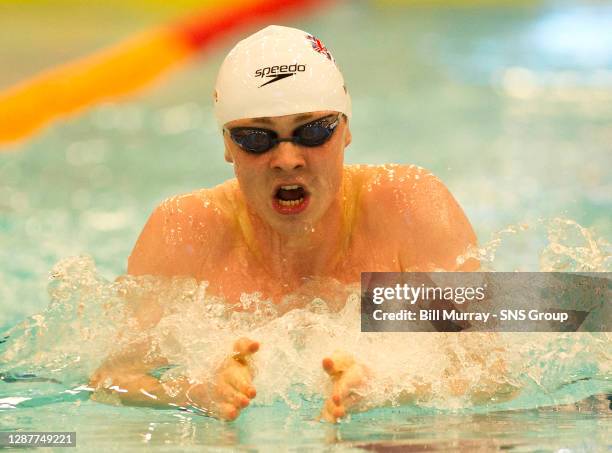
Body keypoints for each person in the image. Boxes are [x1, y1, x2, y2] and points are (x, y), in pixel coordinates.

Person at [89, 25, 481, 422]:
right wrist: (197, 392)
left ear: (345, 129)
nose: (287, 158)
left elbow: (498, 365)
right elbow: (112, 377)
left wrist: (388, 387)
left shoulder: (410, 205)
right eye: (257, 138)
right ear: (227, 144)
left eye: (312, 131)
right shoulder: (184, 230)